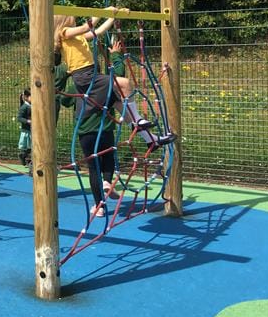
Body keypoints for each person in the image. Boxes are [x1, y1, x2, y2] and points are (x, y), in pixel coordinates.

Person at [53, 12, 175, 149]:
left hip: (89, 73)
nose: (75, 20)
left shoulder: (76, 37)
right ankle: (138, 120)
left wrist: (111, 16)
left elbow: (98, 31)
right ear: (65, 21)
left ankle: (151, 140)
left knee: (118, 103)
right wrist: (102, 11)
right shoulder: (64, 33)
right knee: (124, 83)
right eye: (73, 18)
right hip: (84, 76)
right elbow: (86, 27)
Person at [59, 39, 125, 218]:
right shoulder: (106, 84)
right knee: (108, 157)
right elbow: (119, 76)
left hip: (86, 131)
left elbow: (64, 100)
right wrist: (116, 55)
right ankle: (107, 181)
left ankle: (99, 206)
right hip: (105, 129)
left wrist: (67, 75)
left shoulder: (76, 86)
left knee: (93, 167)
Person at [17, 88, 32, 169]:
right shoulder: (24, 107)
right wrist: (27, 121)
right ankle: (22, 155)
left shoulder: (32, 105)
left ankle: (25, 157)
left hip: (33, 130)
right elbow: (19, 118)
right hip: (27, 130)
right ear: (26, 97)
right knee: (28, 147)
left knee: (31, 147)